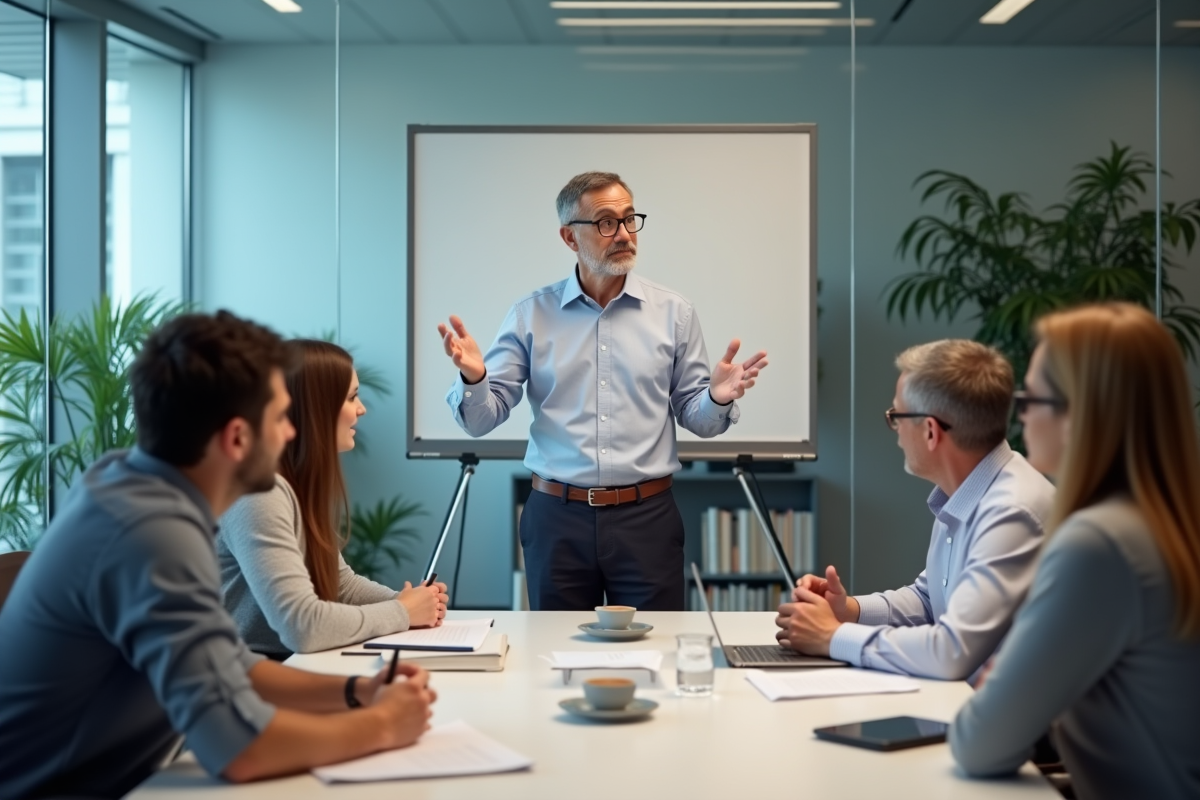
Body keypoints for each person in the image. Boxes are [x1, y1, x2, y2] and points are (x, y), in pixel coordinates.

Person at [0, 312, 437, 799]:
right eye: (278, 418)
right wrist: (383, 725)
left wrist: (357, 692)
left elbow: (230, 664)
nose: (292, 434)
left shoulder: (135, 487)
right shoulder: (151, 533)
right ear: (236, 438)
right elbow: (241, 752)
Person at [437, 171, 767, 611]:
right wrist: (476, 378)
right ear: (570, 238)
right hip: (557, 517)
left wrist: (718, 398)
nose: (625, 233)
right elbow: (479, 421)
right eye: (606, 222)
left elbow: (698, 419)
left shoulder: (675, 313)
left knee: (658, 655)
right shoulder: (529, 316)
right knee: (557, 660)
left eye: (630, 219)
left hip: (647, 517)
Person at [950, 304, 1200, 799]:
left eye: (1030, 397)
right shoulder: (1165, 524)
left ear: (1081, 413)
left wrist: (1001, 688)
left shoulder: (1099, 545)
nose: (1018, 415)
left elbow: (979, 743)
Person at [774, 339, 1055, 680]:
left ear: (931, 432)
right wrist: (848, 610)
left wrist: (832, 637)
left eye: (896, 415)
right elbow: (928, 600)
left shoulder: (1011, 512)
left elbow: (951, 651)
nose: (894, 430)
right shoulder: (966, 490)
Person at [219, 339, 448, 658]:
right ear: (314, 407)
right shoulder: (258, 492)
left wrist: (405, 602)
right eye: (352, 397)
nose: (362, 409)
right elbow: (302, 627)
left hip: (282, 667)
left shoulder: (294, 484)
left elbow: (343, 587)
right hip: (245, 682)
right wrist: (403, 613)